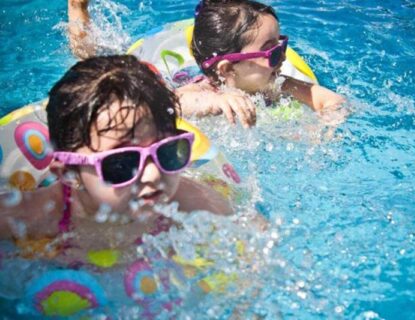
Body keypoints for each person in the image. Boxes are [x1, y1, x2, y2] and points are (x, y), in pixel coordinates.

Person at [0, 55, 232, 264]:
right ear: (68, 174)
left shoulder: (195, 203)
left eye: (167, 151)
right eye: (122, 163)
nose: (153, 174)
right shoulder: (30, 218)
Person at [67, 0, 346, 128]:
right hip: (175, 77)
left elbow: (328, 100)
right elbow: (164, 108)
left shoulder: (276, 83)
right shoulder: (203, 92)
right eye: (271, 53)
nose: (282, 57)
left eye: (281, 45)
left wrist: (325, 126)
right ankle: (78, 7)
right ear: (226, 69)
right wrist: (211, 104)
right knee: (97, 69)